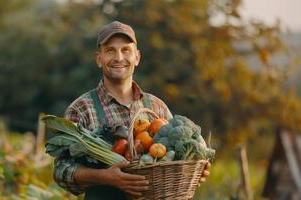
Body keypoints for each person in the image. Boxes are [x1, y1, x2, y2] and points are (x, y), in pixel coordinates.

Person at [53, 20, 210, 200]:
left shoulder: (157, 107)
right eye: (110, 50)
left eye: (126, 50)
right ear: (99, 59)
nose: (119, 57)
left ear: (137, 57)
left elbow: (175, 162)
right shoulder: (81, 109)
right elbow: (60, 171)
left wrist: (194, 169)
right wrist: (104, 177)